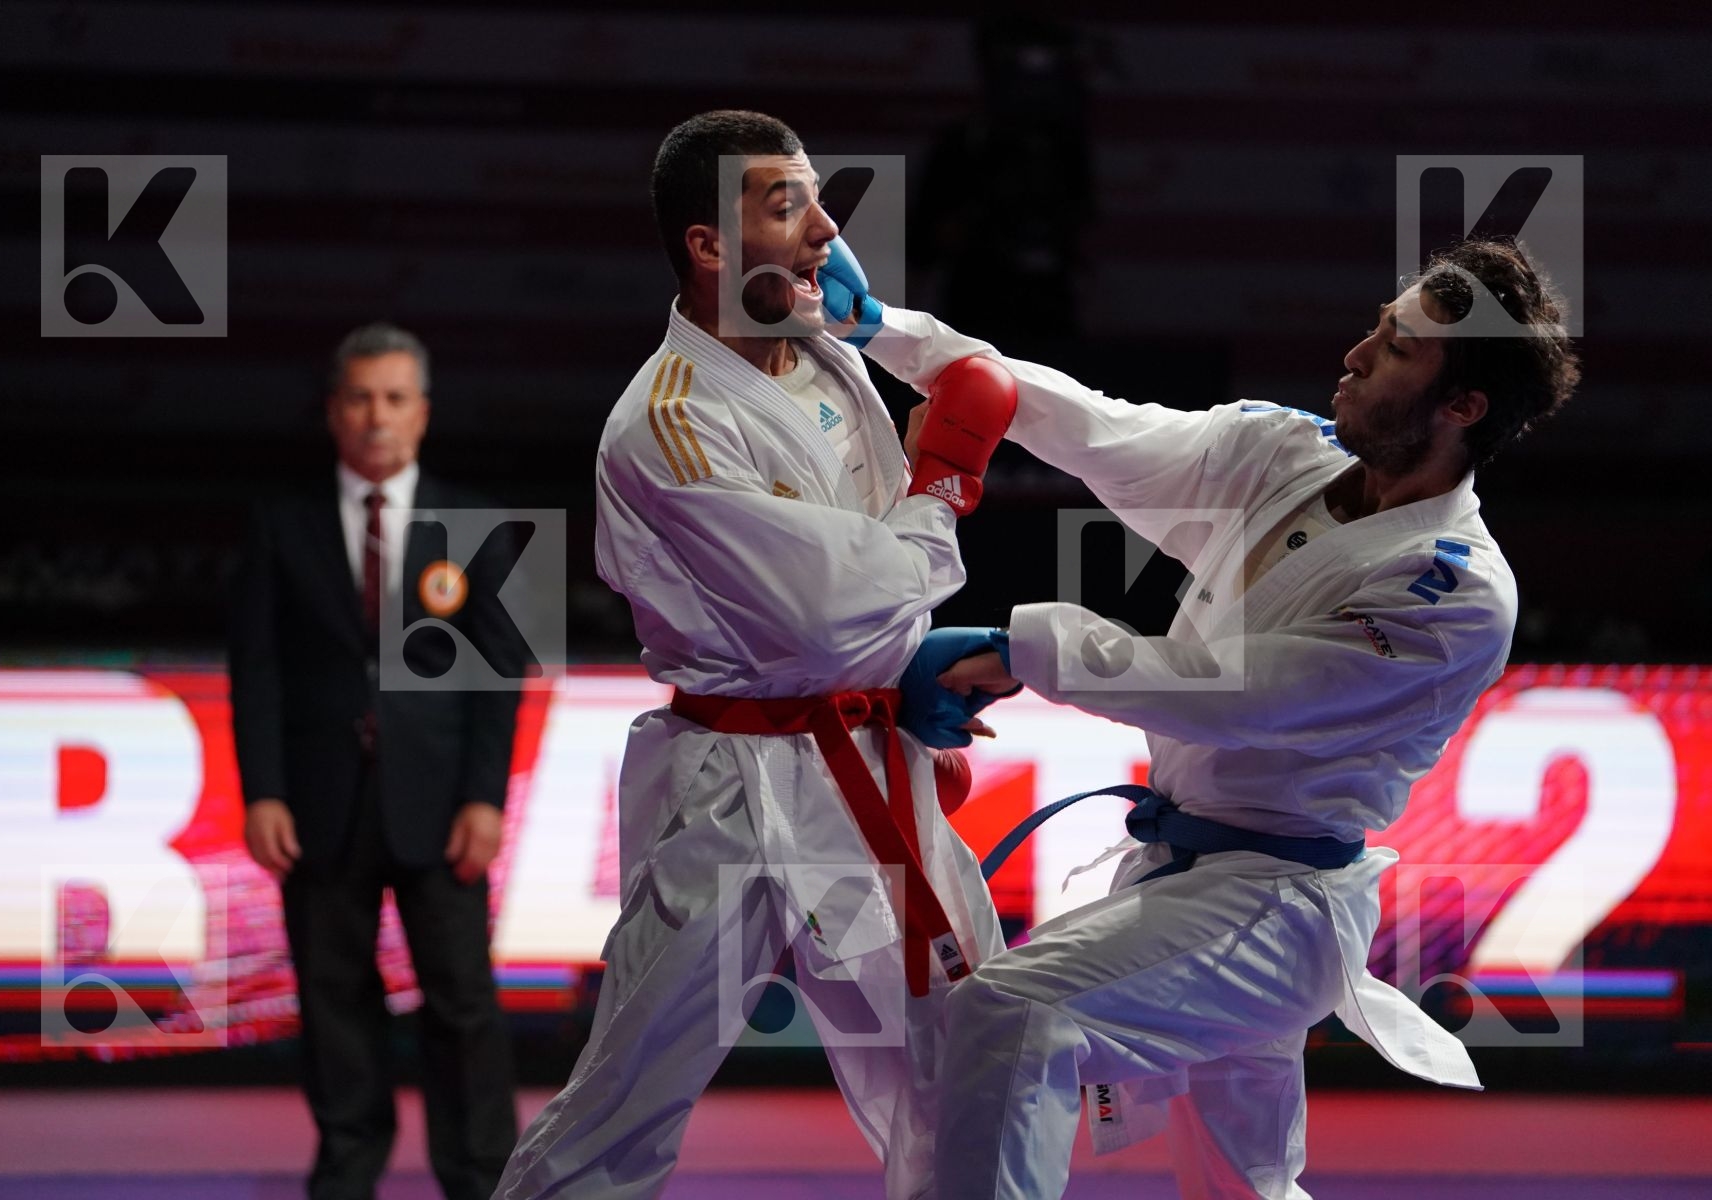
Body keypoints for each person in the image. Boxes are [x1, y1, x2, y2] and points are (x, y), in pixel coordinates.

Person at [855, 239, 1579, 1197]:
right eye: (1377, 328)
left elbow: (1240, 694)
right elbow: (1092, 427)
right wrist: (884, 331)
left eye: (1398, 348)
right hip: (1191, 878)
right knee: (1243, 1186)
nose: (1357, 354)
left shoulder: (1453, 588)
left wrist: (1021, 646)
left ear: (1463, 407)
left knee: (1013, 1011)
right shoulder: (1285, 454)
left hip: (1275, 904)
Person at [496, 110, 1015, 1199]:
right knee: (624, 1102)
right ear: (709, 246)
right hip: (738, 795)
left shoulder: (829, 347)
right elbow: (835, 610)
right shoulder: (669, 423)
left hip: (870, 767)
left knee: (970, 1067)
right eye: (788, 206)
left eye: (820, 199)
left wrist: (903, 666)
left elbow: (969, 394)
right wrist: (943, 483)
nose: (828, 227)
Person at [229, 322, 524, 1200]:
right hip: (318, 804)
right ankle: (347, 1169)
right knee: (333, 1002)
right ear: (333, 411)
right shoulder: (277, 525)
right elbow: (257, 672)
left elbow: (501, 681)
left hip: (440, 805)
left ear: (423, 413)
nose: (376, 417)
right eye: (359, 398)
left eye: (395, 399)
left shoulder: (479, 523)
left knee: (462, 1002)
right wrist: (264, 791)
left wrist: (485, 799)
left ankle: (481, 1177)